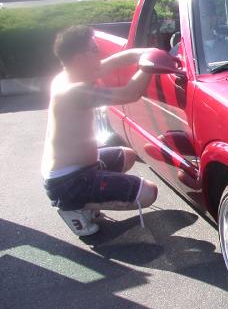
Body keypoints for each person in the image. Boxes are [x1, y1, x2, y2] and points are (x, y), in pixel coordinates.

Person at [42, 25, 159, 236]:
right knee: (149, 192)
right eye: (95, 50)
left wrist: (147, 53)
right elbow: (129, 94)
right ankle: (73, 205)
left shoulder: (74, 73)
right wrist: (150, 66)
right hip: (68, 181)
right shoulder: (73, 91)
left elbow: (115, 61)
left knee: (127, 155)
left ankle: (87, 198)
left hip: (82, 167)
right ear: (80, 58)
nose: (100, 53)